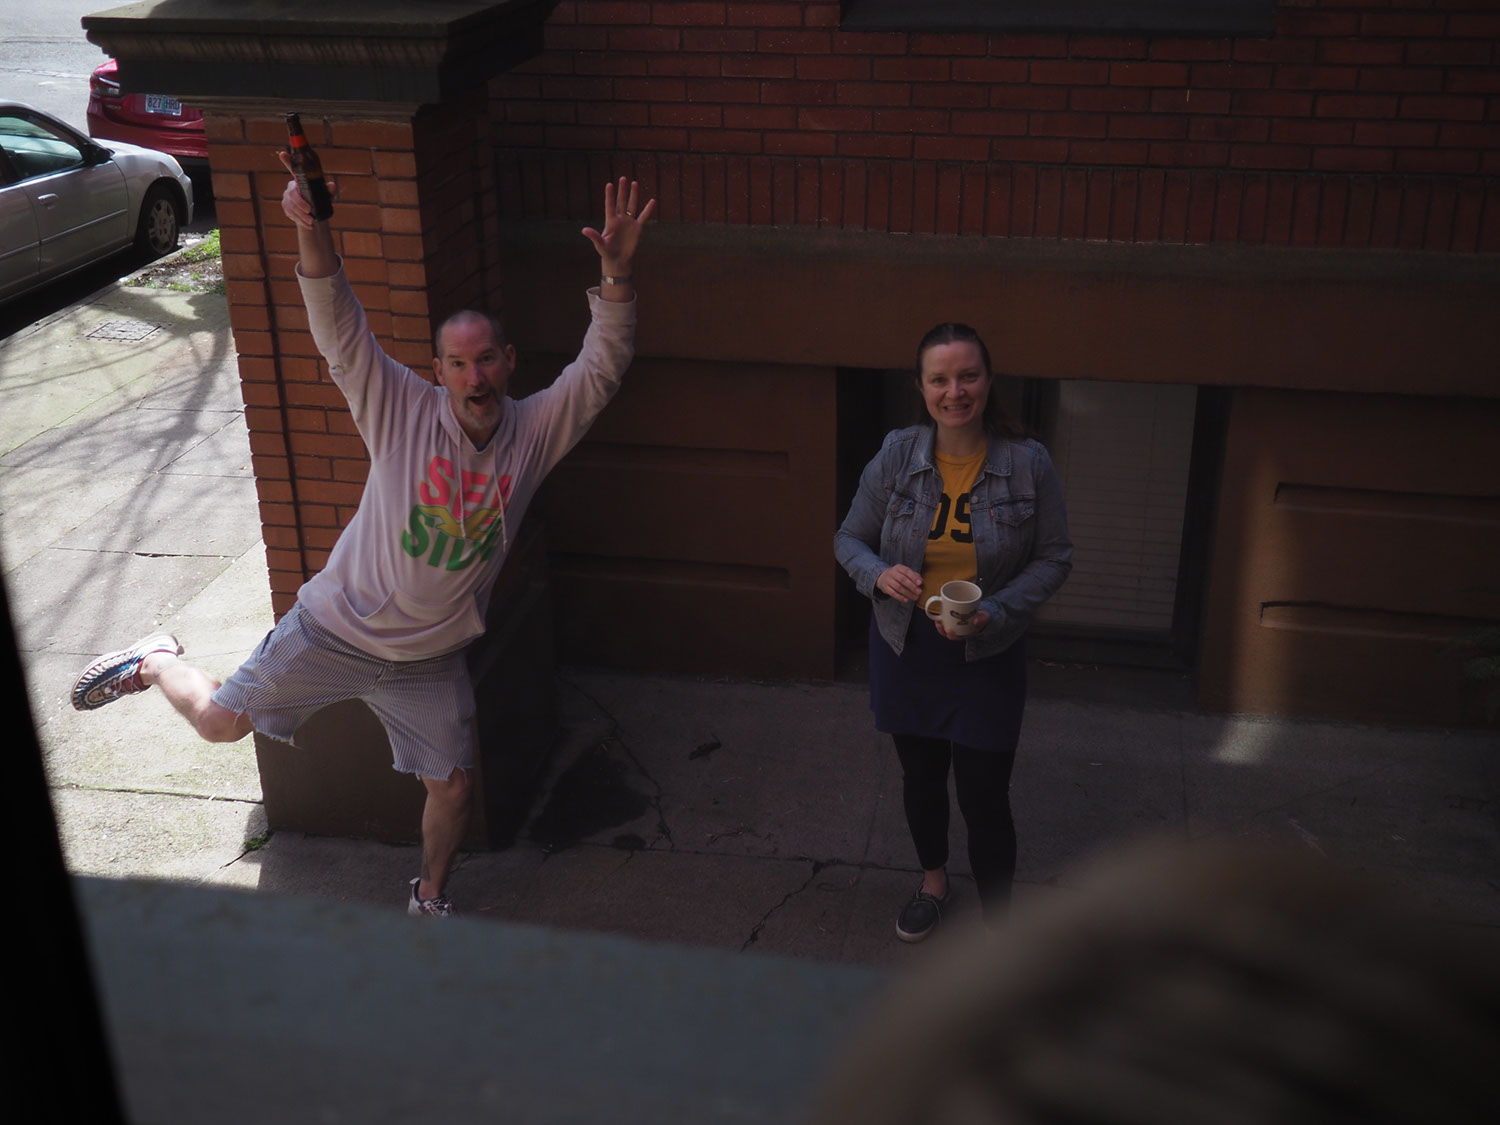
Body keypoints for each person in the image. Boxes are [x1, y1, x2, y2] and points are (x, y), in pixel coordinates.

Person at [71, 160, 656, 917]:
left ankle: (429, 896)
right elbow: (340, 328)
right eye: (458, 362)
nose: (474, 375)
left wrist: (614, 279)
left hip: (428, 659)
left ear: (507, 363)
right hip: (336, 629)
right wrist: (311, 232)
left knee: (453, 785)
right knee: (220, 724)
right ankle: (154, 660)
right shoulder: (401, 410)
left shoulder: (534, 432)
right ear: (438, 371)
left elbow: (601, 370)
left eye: (487, 359)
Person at [834, 323, 1071, 941]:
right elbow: (848, 539)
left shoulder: (1028, 463)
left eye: (968, 376)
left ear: (989, 382)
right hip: (906, 648)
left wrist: (1003, 608)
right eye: (940, 379)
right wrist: (881, 575)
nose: (955, 391)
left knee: (986, 794)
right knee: (920, 779)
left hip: (986, 650)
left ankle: (999, 926)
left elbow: (1054, 558)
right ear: (922, 387)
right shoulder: (896, 455)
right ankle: (933, 881)